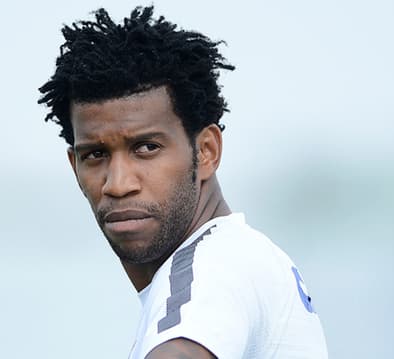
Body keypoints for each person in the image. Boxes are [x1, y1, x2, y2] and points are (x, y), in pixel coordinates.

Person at [38, 6, 328, 359]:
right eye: (95, 155)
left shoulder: (208, 272)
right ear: (75, 167)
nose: (118, 183)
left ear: (206, 151)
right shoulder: (243, 255)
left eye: (146, 147)